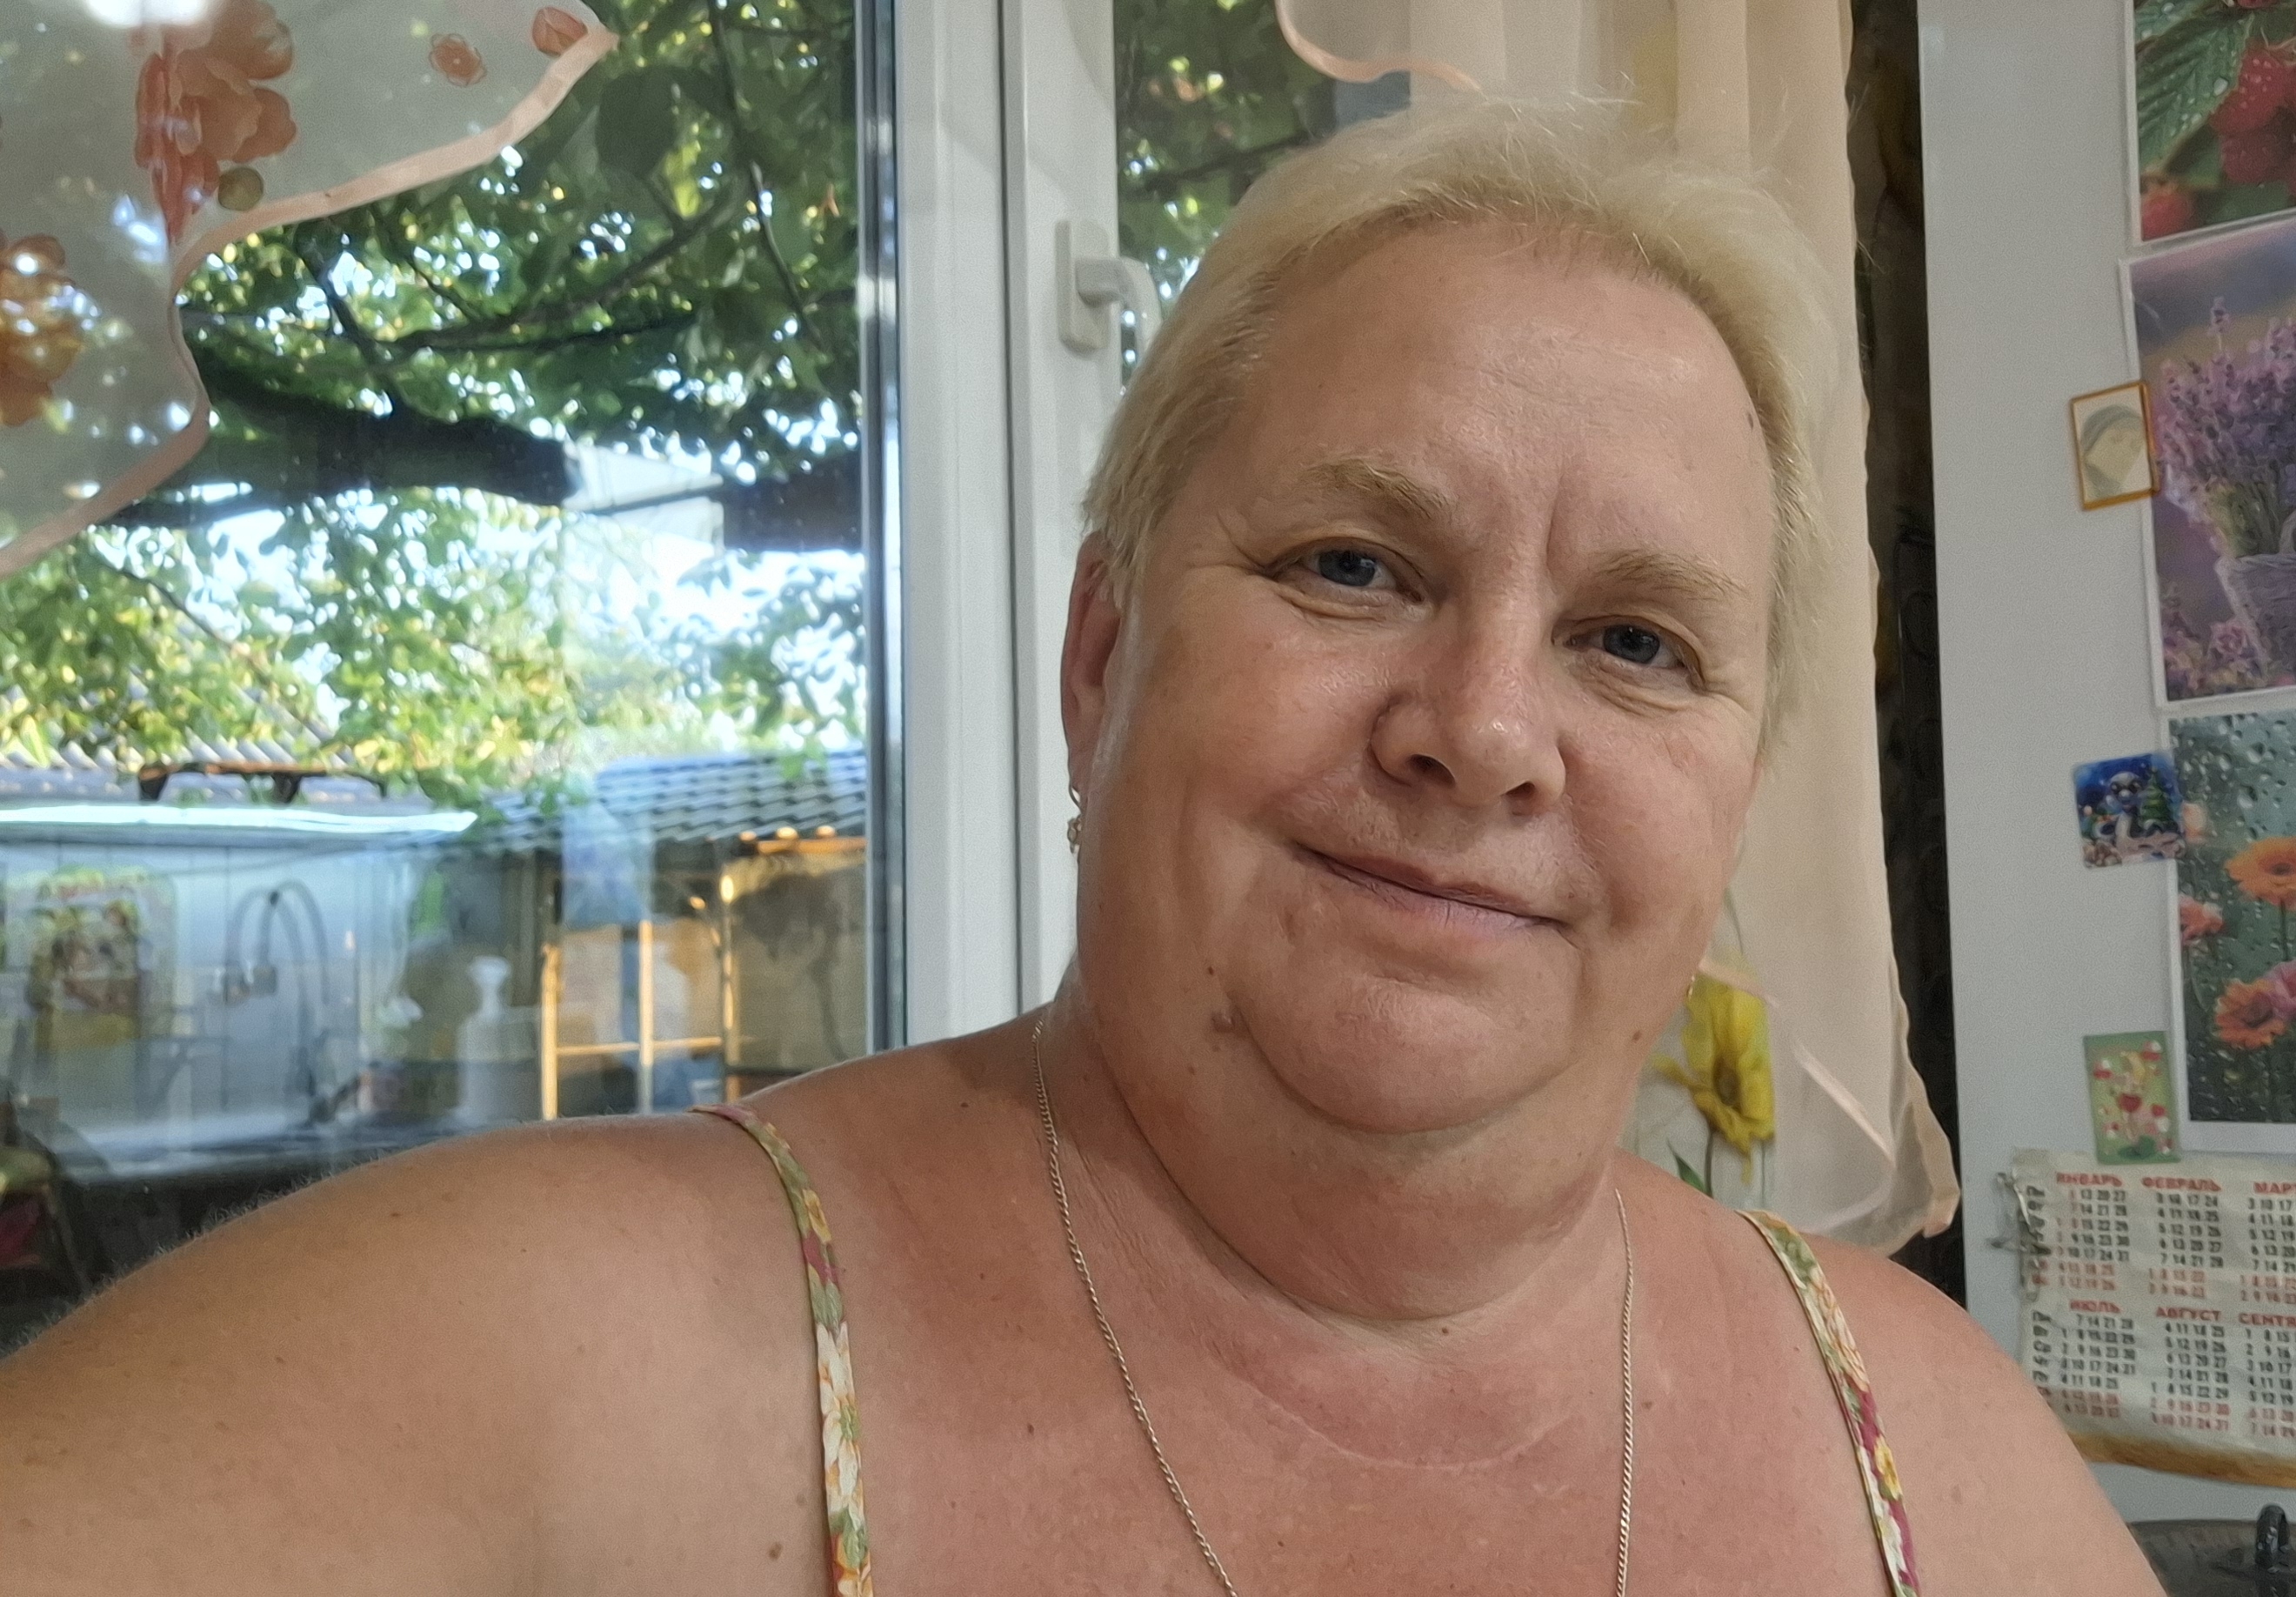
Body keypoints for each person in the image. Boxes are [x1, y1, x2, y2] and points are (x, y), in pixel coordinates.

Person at [0, 101, 2161, 1596]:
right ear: (1101, 656)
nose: (1489, 732)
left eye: (1635, 642)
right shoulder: (524, 1357)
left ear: (1737, 790)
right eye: (1352, 563)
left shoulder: (1933, 1451)